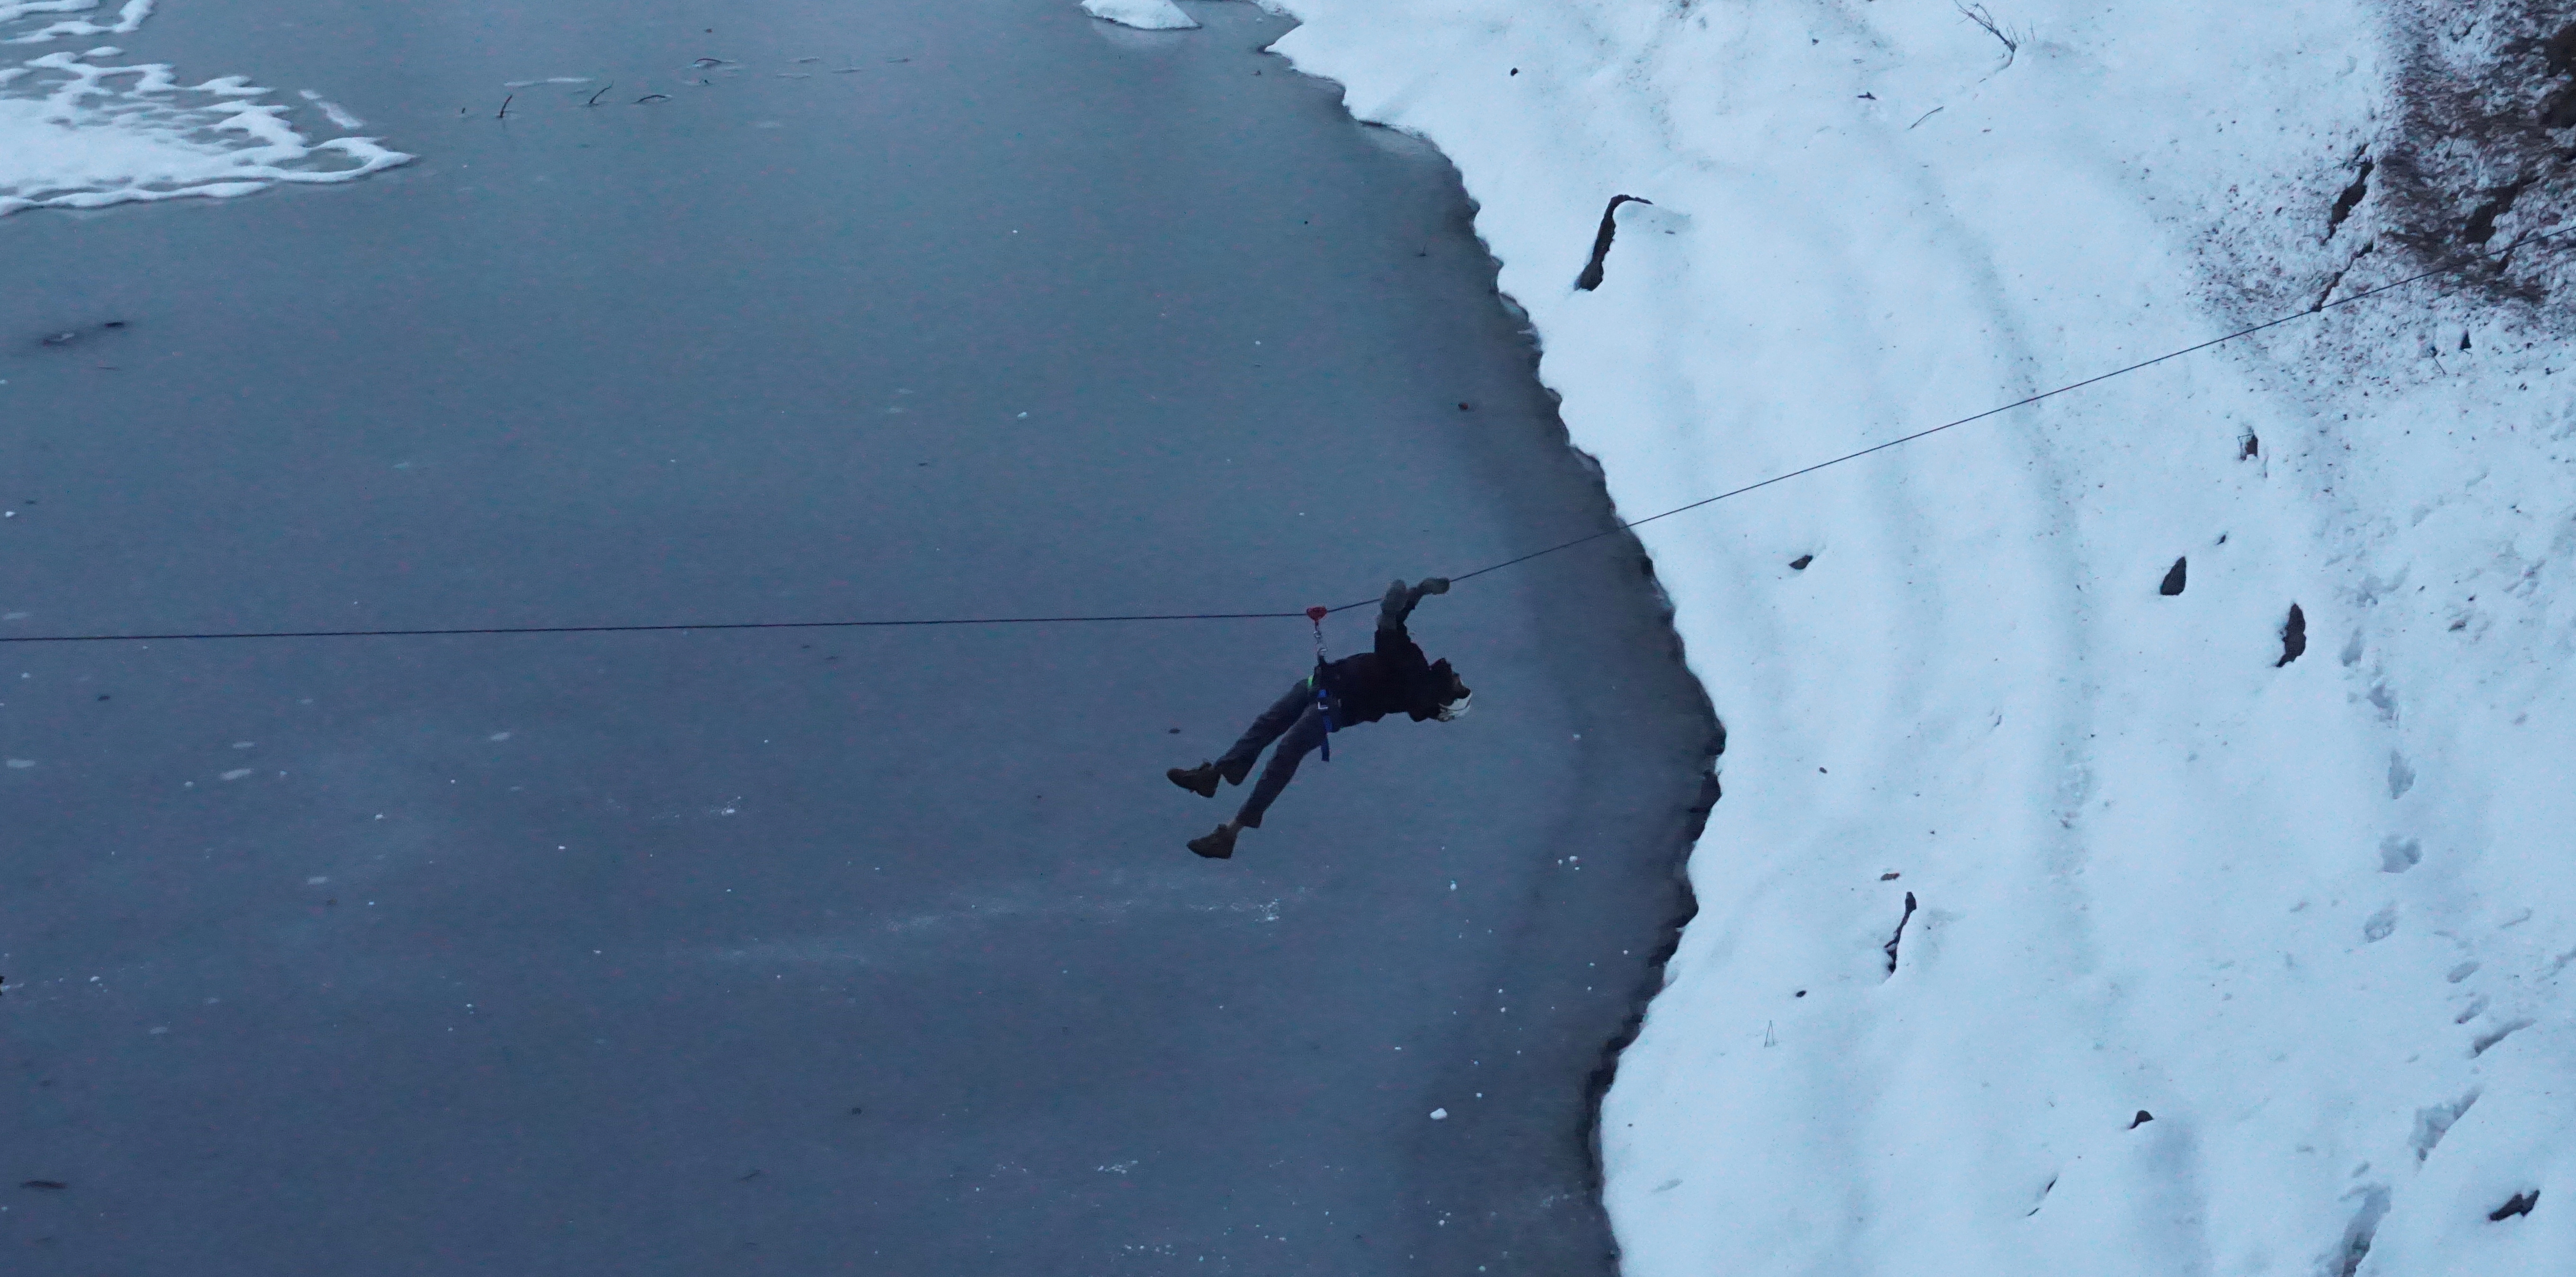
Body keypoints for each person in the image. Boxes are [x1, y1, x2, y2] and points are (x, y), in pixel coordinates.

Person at [1168, 577, 1472, 859]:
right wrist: (1417, 594)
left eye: (1459, 684)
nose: (1457, 675)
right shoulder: (1419, 677)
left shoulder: (1418, 685)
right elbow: (1394, 627)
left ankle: (1231, 831)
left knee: (1285, 752)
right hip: (1325, 685)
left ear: (1446, 698)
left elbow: (1390, 632)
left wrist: (1407, 600)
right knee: (1269, 726)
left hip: (1334, 703)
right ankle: (1217, 775)